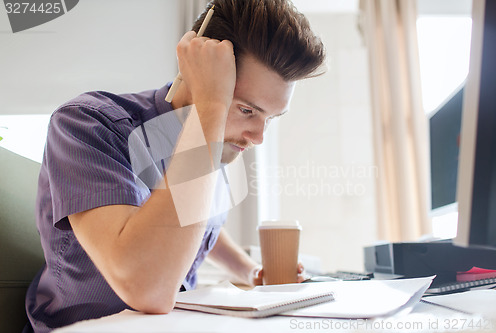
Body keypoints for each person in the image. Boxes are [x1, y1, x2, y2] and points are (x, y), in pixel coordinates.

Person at [24, 0, 325, 332]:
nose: (257, 138)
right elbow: (148, 288)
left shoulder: (219, 144)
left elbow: (202, 223)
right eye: (246, 110)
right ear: (196, 69)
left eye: (271, 118)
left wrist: (251, 271)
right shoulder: (88, 124)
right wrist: (211, 105)